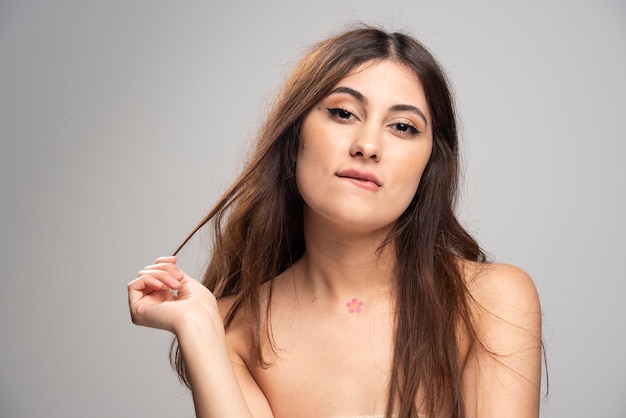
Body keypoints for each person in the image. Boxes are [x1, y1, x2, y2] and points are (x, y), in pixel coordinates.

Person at [128, 25, 542, 418]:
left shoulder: (490, 302)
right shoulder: (231, 329)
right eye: (344, 113)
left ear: (430, 165)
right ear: (294, 140)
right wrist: (199, 326)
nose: (367, 146)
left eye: (402, 126)